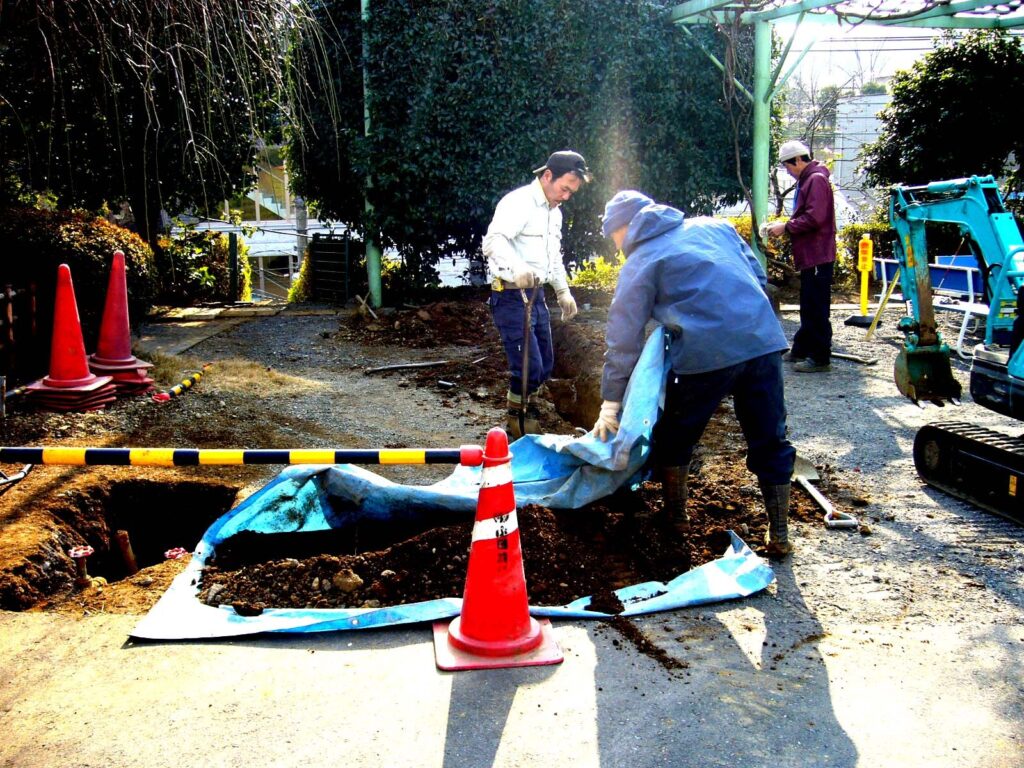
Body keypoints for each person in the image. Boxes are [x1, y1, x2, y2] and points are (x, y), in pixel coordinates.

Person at [592, 190, 797, 558]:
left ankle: (676, 519)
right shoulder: (716, 227)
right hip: (762, 340)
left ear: (625, 227)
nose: (616, 245)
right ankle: (779, 533)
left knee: (675, 434)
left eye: (614, 236)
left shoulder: (641, 261)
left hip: (706, 353)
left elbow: (623, 340)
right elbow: (758, 276)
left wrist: (611, 401)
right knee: (770, 437)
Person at [482, 150, 591, 438]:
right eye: (564, 188)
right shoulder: (519, 203)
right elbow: (493, 242)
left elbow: (552, 256)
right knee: (528, 367)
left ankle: (528, 408)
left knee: (545, 365)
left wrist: (563, 292)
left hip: (536, 296)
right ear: (547, 176)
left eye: (571, 192)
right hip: (510, 295)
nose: (566, 196)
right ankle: (517, 423)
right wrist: (515, 266)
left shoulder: (553, 213)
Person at [766, 139, 837, 373]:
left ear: (798, 160)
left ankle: (819, 357)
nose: (788, 171)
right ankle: (802, 348)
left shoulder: (815, 180)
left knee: (815, 306)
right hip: (813, 254)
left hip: (817, 253)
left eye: (788, 166)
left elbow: (815, 218)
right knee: (809, 304)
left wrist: (785, 227)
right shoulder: (812, 179)